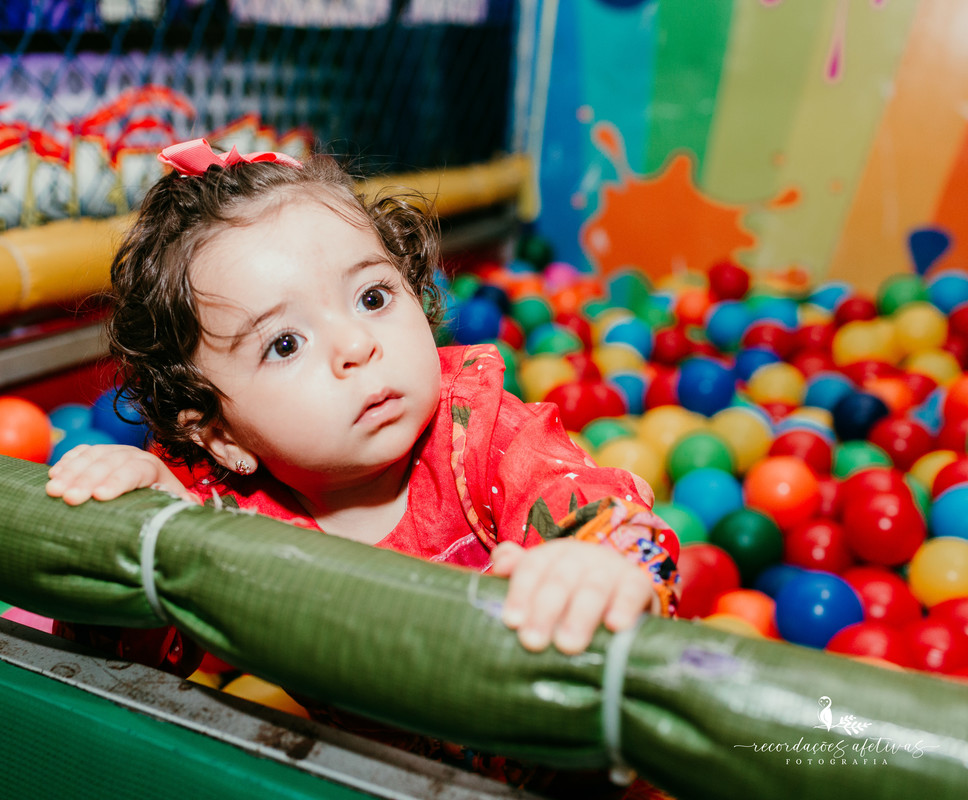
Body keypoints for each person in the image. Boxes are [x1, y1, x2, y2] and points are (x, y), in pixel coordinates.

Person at [45, 137, 679, 790]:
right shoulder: (223, 515)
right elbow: (114, 662)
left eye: (372, 298)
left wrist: (592, 561)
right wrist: (142, 527)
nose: (356, 345)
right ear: (219, 434)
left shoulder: (480, 433)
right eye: (285, 343)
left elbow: (601, 505)